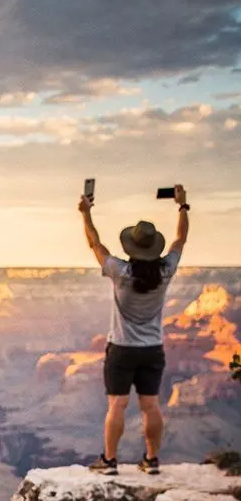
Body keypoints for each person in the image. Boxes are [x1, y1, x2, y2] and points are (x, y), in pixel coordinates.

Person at [79, 184, 190, 475]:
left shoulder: (121, 272)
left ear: (132, 247)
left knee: (117, 404)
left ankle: (109, 461)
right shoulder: (166, 271)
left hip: (122, 349)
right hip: (152, 349)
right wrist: (182, 206)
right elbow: (180, 240)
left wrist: (86, 214)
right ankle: (151, 460)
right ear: (155, 249)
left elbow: (95, 244)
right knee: (150, 406)